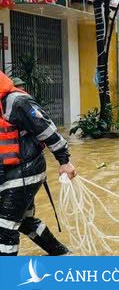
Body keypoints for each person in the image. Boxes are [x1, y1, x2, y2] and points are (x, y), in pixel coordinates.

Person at [0, 71, 76, 256]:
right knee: (24, 221)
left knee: (4, 226)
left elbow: (48, 131)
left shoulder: (17, 102)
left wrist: (64, 161)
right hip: (7, 171)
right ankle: (60, 254)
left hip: (26, 170)